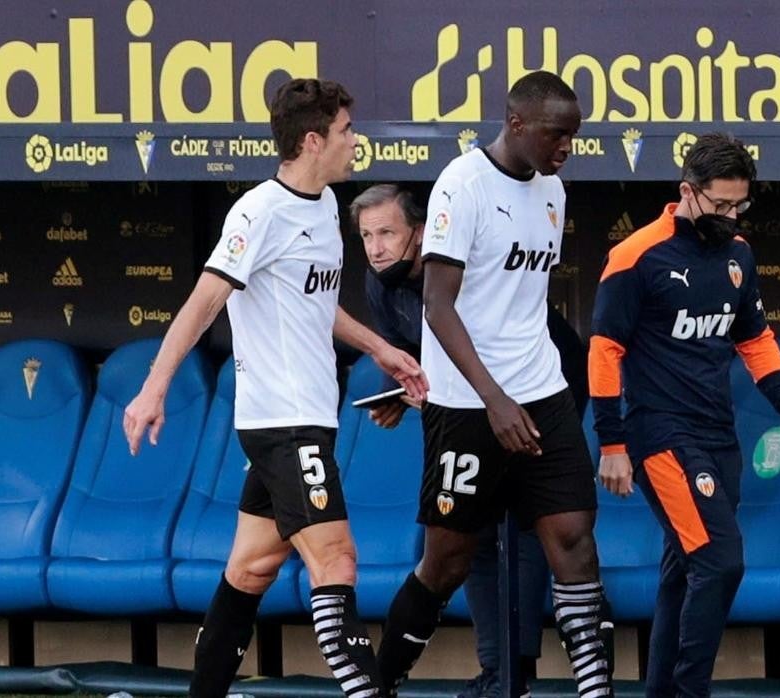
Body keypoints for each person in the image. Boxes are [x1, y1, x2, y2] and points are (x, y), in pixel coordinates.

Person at [123, 78, 427, 698]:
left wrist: (383, 349)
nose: (354, 140)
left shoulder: (321, 208)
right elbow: (205, 299)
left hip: (309, 416)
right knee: (336, 561)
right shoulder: (258, 211)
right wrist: (154, 386)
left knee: (253, 566)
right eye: (345, 131)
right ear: (314, 141)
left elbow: (313, 303)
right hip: (282, 422)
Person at [375, 71, 613, 698]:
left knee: (574, 540)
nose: (566, 148)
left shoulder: (554, 191)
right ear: (516, 123)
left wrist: (524, 391)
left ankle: (597, 692)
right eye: (556, 135)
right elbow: (437, 304)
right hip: (467, 406)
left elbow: (521, 301)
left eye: (574, 137)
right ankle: (378, 685)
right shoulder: (464, 184)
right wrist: (494, 399)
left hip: (542, 391)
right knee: (446, 561)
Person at [588, 133, 780, 698]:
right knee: (719, 563)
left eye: (738, 205)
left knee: (684, 568)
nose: (728, 215)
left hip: (718, 435)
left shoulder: (738, 254)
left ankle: (661, 693)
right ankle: (690, 691)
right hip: (661, 435)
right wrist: (613, 445)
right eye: (719, 204)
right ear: (687, 192)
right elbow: (604, 350)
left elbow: (755, 340)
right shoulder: (637, 255)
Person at [352, 183, 588, 698]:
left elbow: (482, 347)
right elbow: (414, 356)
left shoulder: (458, 271)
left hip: (543, 385)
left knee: (532, 526)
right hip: (466, 403)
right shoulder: (381, 286)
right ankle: (473, 673)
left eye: (388, 232)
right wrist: (398, 394)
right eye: (367, 236)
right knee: (463, 537)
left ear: (421, 231)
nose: (376, 248)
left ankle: (513, 674)